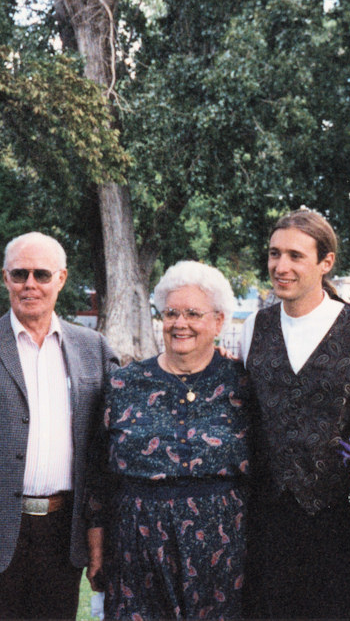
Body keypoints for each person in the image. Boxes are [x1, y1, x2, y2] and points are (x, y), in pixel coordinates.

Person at [0, 232, 118, 620]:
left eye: (41, 274)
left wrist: (210, 353)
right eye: (19, 274)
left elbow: (130, 405)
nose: (30, 284)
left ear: (61, 279)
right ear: (5, 278)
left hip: (62, 533)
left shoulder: (92, 348)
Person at [241, 208, 350, 619]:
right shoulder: (252, 327)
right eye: (275, 254)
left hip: (339, 521)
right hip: (266, 517)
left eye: (295, 255)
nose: (281, 266)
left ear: (326, 262)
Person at [87, 260, 250, 620]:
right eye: (171, 313)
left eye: (194, 313)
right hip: (137, 547)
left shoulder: (243, 384)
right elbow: (97, 475)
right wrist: (96, 552)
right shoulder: (123, 384)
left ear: (219, 322)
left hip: (223, 551)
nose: (181, 323)